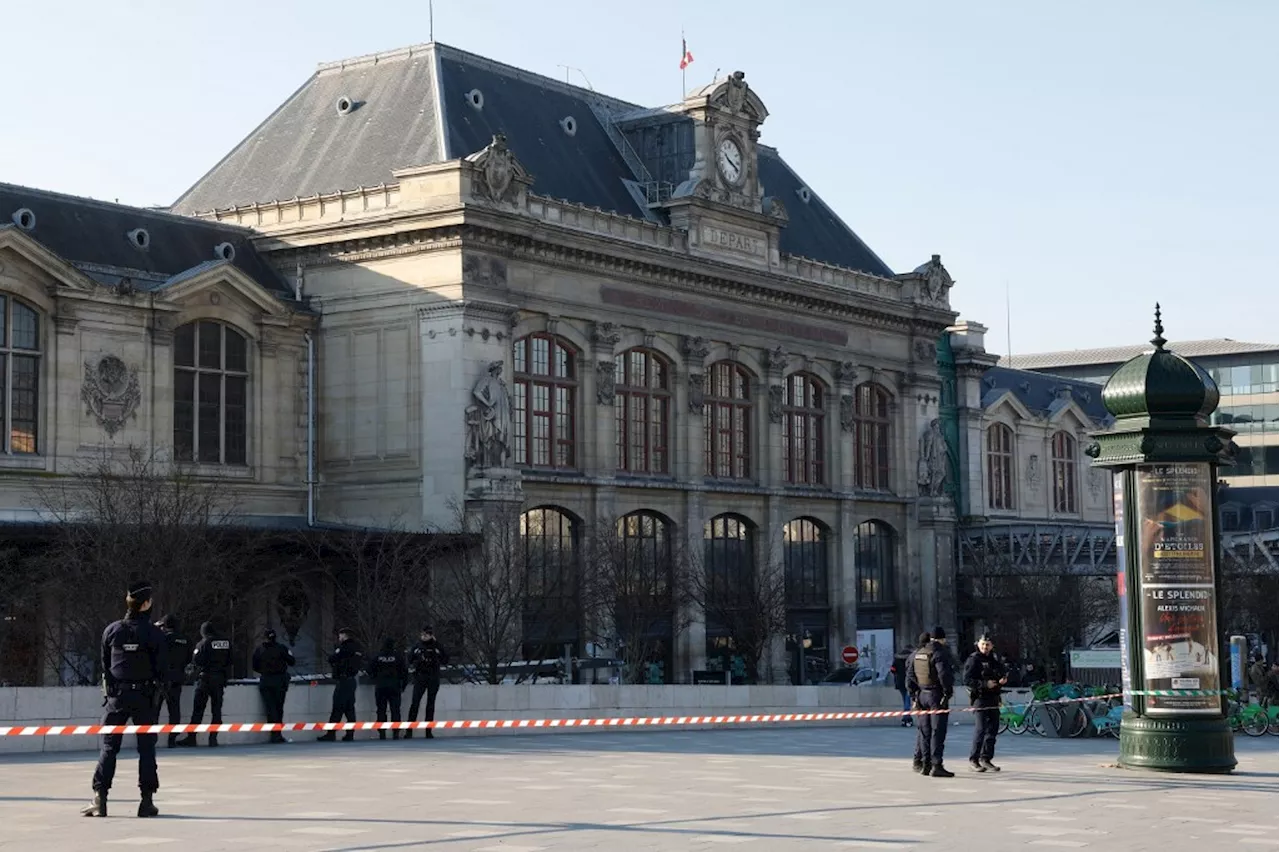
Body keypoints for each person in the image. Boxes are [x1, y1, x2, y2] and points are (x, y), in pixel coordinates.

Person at [82, 578, 165, 819]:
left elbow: (105, 666)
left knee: (109, 747)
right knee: (147, 748)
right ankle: (146, 801)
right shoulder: (153, 633)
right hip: (145, 697)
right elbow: (162, 668)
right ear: (146, 603)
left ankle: (100, 799)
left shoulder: (112, 630)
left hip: (116, 697)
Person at [906, 627, 955, 778]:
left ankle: (925, 765)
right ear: (942, 639)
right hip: (935, 695)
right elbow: (944, 675)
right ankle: (937, 765)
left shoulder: (918, 653)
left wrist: (915, 694)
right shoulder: (940, 652)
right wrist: (947, 692)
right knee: (937, 732)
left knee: (925, 732)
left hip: (922, 694)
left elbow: (910, 675)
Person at [176, 621, 232, 748]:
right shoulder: (226, 642)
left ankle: (191, 738)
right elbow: (230, 660)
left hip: (205, 679)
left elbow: (197, 661)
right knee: (216, 711)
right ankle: (213, 738)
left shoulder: (204, 643)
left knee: (198, 710)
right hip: (220, 679)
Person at [963, 635, 1007, 773]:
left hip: (994, 697)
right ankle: (974, 759)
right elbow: (967, 680)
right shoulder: (974, 659)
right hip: (980, 698)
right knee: (981, 729)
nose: (985, 647)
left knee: (993, 729)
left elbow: (1002, 672)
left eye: (987, 644)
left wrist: (1002, 679)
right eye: (983, 644)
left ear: (992, 645)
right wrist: (984, 684)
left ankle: (986, 758)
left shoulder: (994, 659)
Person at [318, 627, 363, 742]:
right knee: (349, 709)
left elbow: (332, 659)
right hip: (352, 680)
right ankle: (350, 734)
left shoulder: (344, 648)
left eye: (340, 636)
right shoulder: (357, 648)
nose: (339, 638)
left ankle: (331, 733)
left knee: (337, 707)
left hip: (343, 681)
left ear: (344, 636)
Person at [252, 628, 295, 744]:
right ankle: (277, 734)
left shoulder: (260, 649)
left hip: (266, 681)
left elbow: (254, 666)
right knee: (279, 708)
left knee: (270, 709)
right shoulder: (281, 648)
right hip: (280, 681)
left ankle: (274, 734)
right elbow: (292, 661)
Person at [155, 615, 192, 749]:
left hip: (162, 679)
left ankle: (151, 738)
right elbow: (189, 659)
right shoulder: (185, 640)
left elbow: (156, 655)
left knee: (155, 710)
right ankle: (172, 739)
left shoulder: (163, 638)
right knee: (174, 710)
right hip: (177, 677)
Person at [406, 625, 449, 739]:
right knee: (415, 703)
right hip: (420, 677)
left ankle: (428, 730)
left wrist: (437, 648)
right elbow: (409, 659)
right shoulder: (417, 646)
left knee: (430, 704)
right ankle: (409, 730)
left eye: (426, 635)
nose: (423, 637)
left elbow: (445, 659)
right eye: (422, 634)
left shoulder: (437, 646)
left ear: (431, 635)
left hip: (433, 677)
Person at [367, 637, 408, 740]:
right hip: (394, 686)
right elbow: (404, 672)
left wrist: (375, 679)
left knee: (381, 710)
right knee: (395, 710)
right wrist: (403, 686)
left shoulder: (378, 656)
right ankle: (395, 733)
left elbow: (369, 669)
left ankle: (382, 733)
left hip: (381, 687)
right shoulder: (398, 657)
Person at [891, 646, 913, 727]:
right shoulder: (911, 659)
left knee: (905, 699)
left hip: (900, 682)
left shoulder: (897, 659)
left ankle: (907, 717)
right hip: (908, 681)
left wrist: (898, 673)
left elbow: (892, 670)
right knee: (907, 701)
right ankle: (906, 718)